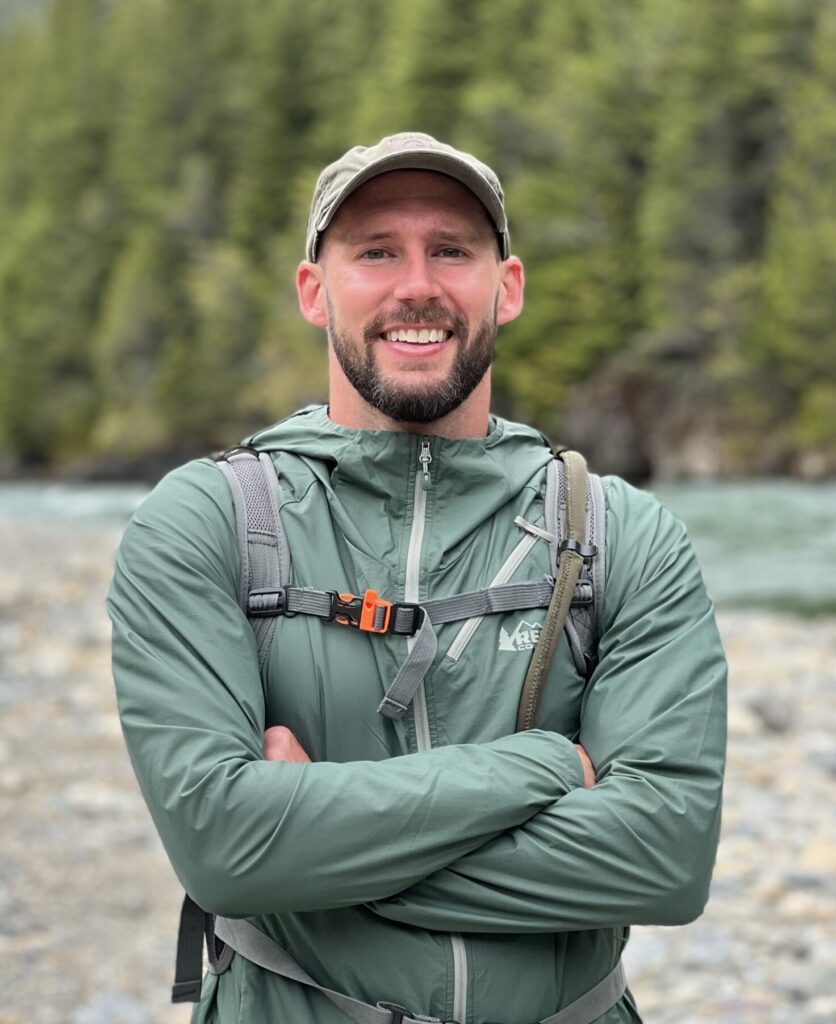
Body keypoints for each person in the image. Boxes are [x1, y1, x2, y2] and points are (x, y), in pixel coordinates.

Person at [108, 132, 727, 1024]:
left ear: (504, 287)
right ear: (314, 292)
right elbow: (225, 848)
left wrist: (315, 848)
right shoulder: (205, 522)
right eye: (375, 252)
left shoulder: (619, 534)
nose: (417, 286)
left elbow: (664, 858)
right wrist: (545, 766)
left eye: (451, 250)